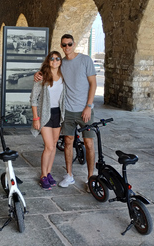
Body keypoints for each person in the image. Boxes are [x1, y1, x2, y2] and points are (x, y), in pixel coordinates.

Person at [34, 34, 97, 191]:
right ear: (61, 46)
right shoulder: (61, 65)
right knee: (67, 142)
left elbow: (93, 83)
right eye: (64, 45)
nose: (67, 47)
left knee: (88, 143)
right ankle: (69, 175)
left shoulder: (85, 60)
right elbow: (48, 72)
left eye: (69, 44)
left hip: (85, 110)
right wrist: (37, 74)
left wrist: (88, 106)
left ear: (74, 44)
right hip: (67, 111)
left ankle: (91, 178)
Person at [30, 51, 65, 190]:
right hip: (45, 114)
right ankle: (43, 176)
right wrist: (35, 117)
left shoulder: (64, 76)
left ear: (60, 61)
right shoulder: (42, 76)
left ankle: (49, 172)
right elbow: (33, 98)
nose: (55, 61)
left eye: (57, 59)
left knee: (54, 144)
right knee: (48, 146)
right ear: (48, 61)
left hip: (58, 113)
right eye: (52, 59)